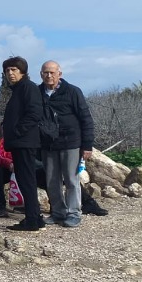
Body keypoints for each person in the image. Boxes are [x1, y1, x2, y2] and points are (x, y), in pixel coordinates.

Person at [40, 61, 95, 228]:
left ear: (59, 74)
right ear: (41, 74)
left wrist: (87, 145)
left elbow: (86, 118)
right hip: (48, 144)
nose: (49, 76)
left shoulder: (72, 91)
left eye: (52, 72)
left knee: (71, 180)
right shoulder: (37, 92)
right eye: (45, 72)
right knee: (51, 180)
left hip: (70, 142)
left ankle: (74, 213)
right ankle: (58, 212)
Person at [2, 56, 46, 232]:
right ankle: (35, 218)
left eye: (14, 69)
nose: (10, 73)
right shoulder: (18, 90)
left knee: (27, 180)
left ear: (23, 71)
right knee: (24, 180)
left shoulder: (28, 87)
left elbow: (34, 113)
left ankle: (32, 220)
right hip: (19, 142)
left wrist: (17, 132)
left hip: (25, 142)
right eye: (7, 70)